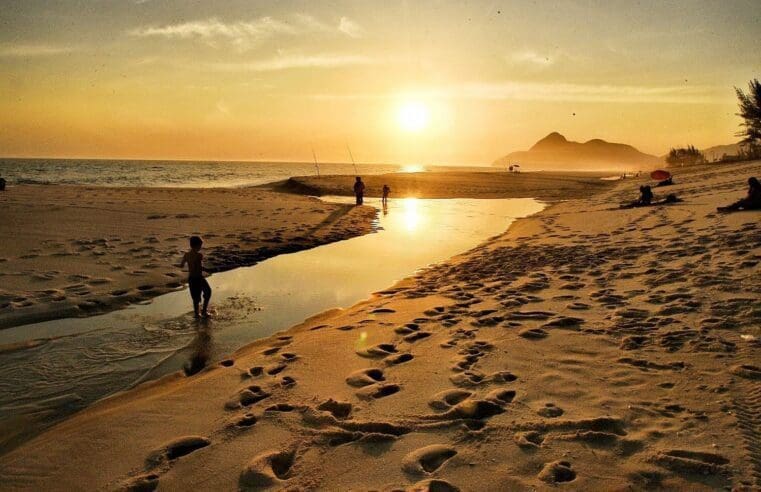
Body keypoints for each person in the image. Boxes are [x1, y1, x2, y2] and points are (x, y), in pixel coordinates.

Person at [180, 235, 212, 318]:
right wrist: (207, 269)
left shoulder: (186, 255)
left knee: (195, 298)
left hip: (191, 279)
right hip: (199, 278)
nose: (200, 248)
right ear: (197, 246)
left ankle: (197, 314)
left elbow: (181, 265)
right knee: (208, 292)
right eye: (200, 246)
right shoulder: (199, 255)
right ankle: (204, 311)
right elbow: (199, 267)